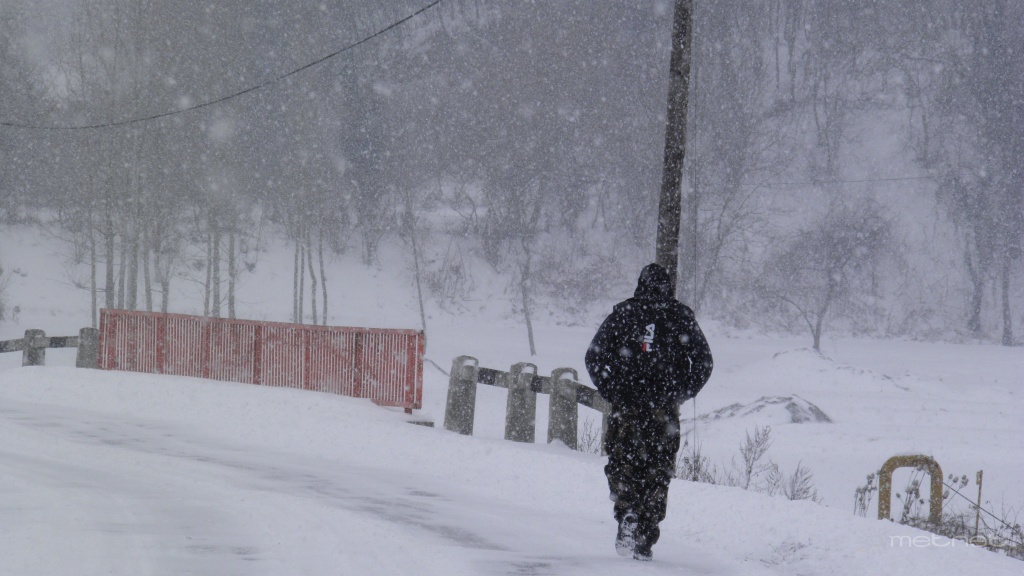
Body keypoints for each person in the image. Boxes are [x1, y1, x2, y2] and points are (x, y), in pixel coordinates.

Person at [584, 263, 713, 561]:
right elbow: (704, 362)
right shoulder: (680, 316)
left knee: (622, 463)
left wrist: (613, 389)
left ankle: (627, 512)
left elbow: (594, 356)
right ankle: (645, 536)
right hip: (663, 412)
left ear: (640, 284)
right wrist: (681, 392)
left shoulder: (624, 313)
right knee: (658, 471)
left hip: (627, 407)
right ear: (668, 286)